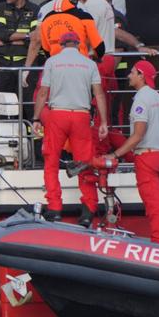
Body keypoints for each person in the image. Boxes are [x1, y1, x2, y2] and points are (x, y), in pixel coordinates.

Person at [33, 32, 109, 227]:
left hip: (58, 114)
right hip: (81, 116)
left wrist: (36, 117)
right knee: (84, 163)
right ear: (79, 45)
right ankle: (88, 211)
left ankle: (55, 208)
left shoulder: (52, 62)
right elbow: (99, 95)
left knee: (50, 162)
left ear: (60, 44)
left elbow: (43, 93)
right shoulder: (90, 64)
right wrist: (103, 123)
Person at [104, 61, 159, 244]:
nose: (129, 75)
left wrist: (115, 154)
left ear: (142, 75)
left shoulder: (141, 100)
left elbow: (137, 136)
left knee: (154, 206)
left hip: (147, 158)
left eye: (133, 72)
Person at [0, 0, 39, 97]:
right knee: (1, 107)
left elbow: (36, 38)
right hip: (1, 63)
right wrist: (27, 35)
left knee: (26, 106)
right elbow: (1, 34)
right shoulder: (0, 8)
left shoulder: (35, 9)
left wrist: (8, 40)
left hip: (24, 64)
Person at [40, 0, 105, 58]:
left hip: (56, 66)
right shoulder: (84, 17)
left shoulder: (46, 18)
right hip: (79, 65)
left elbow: (46, 49)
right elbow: (99, 47)